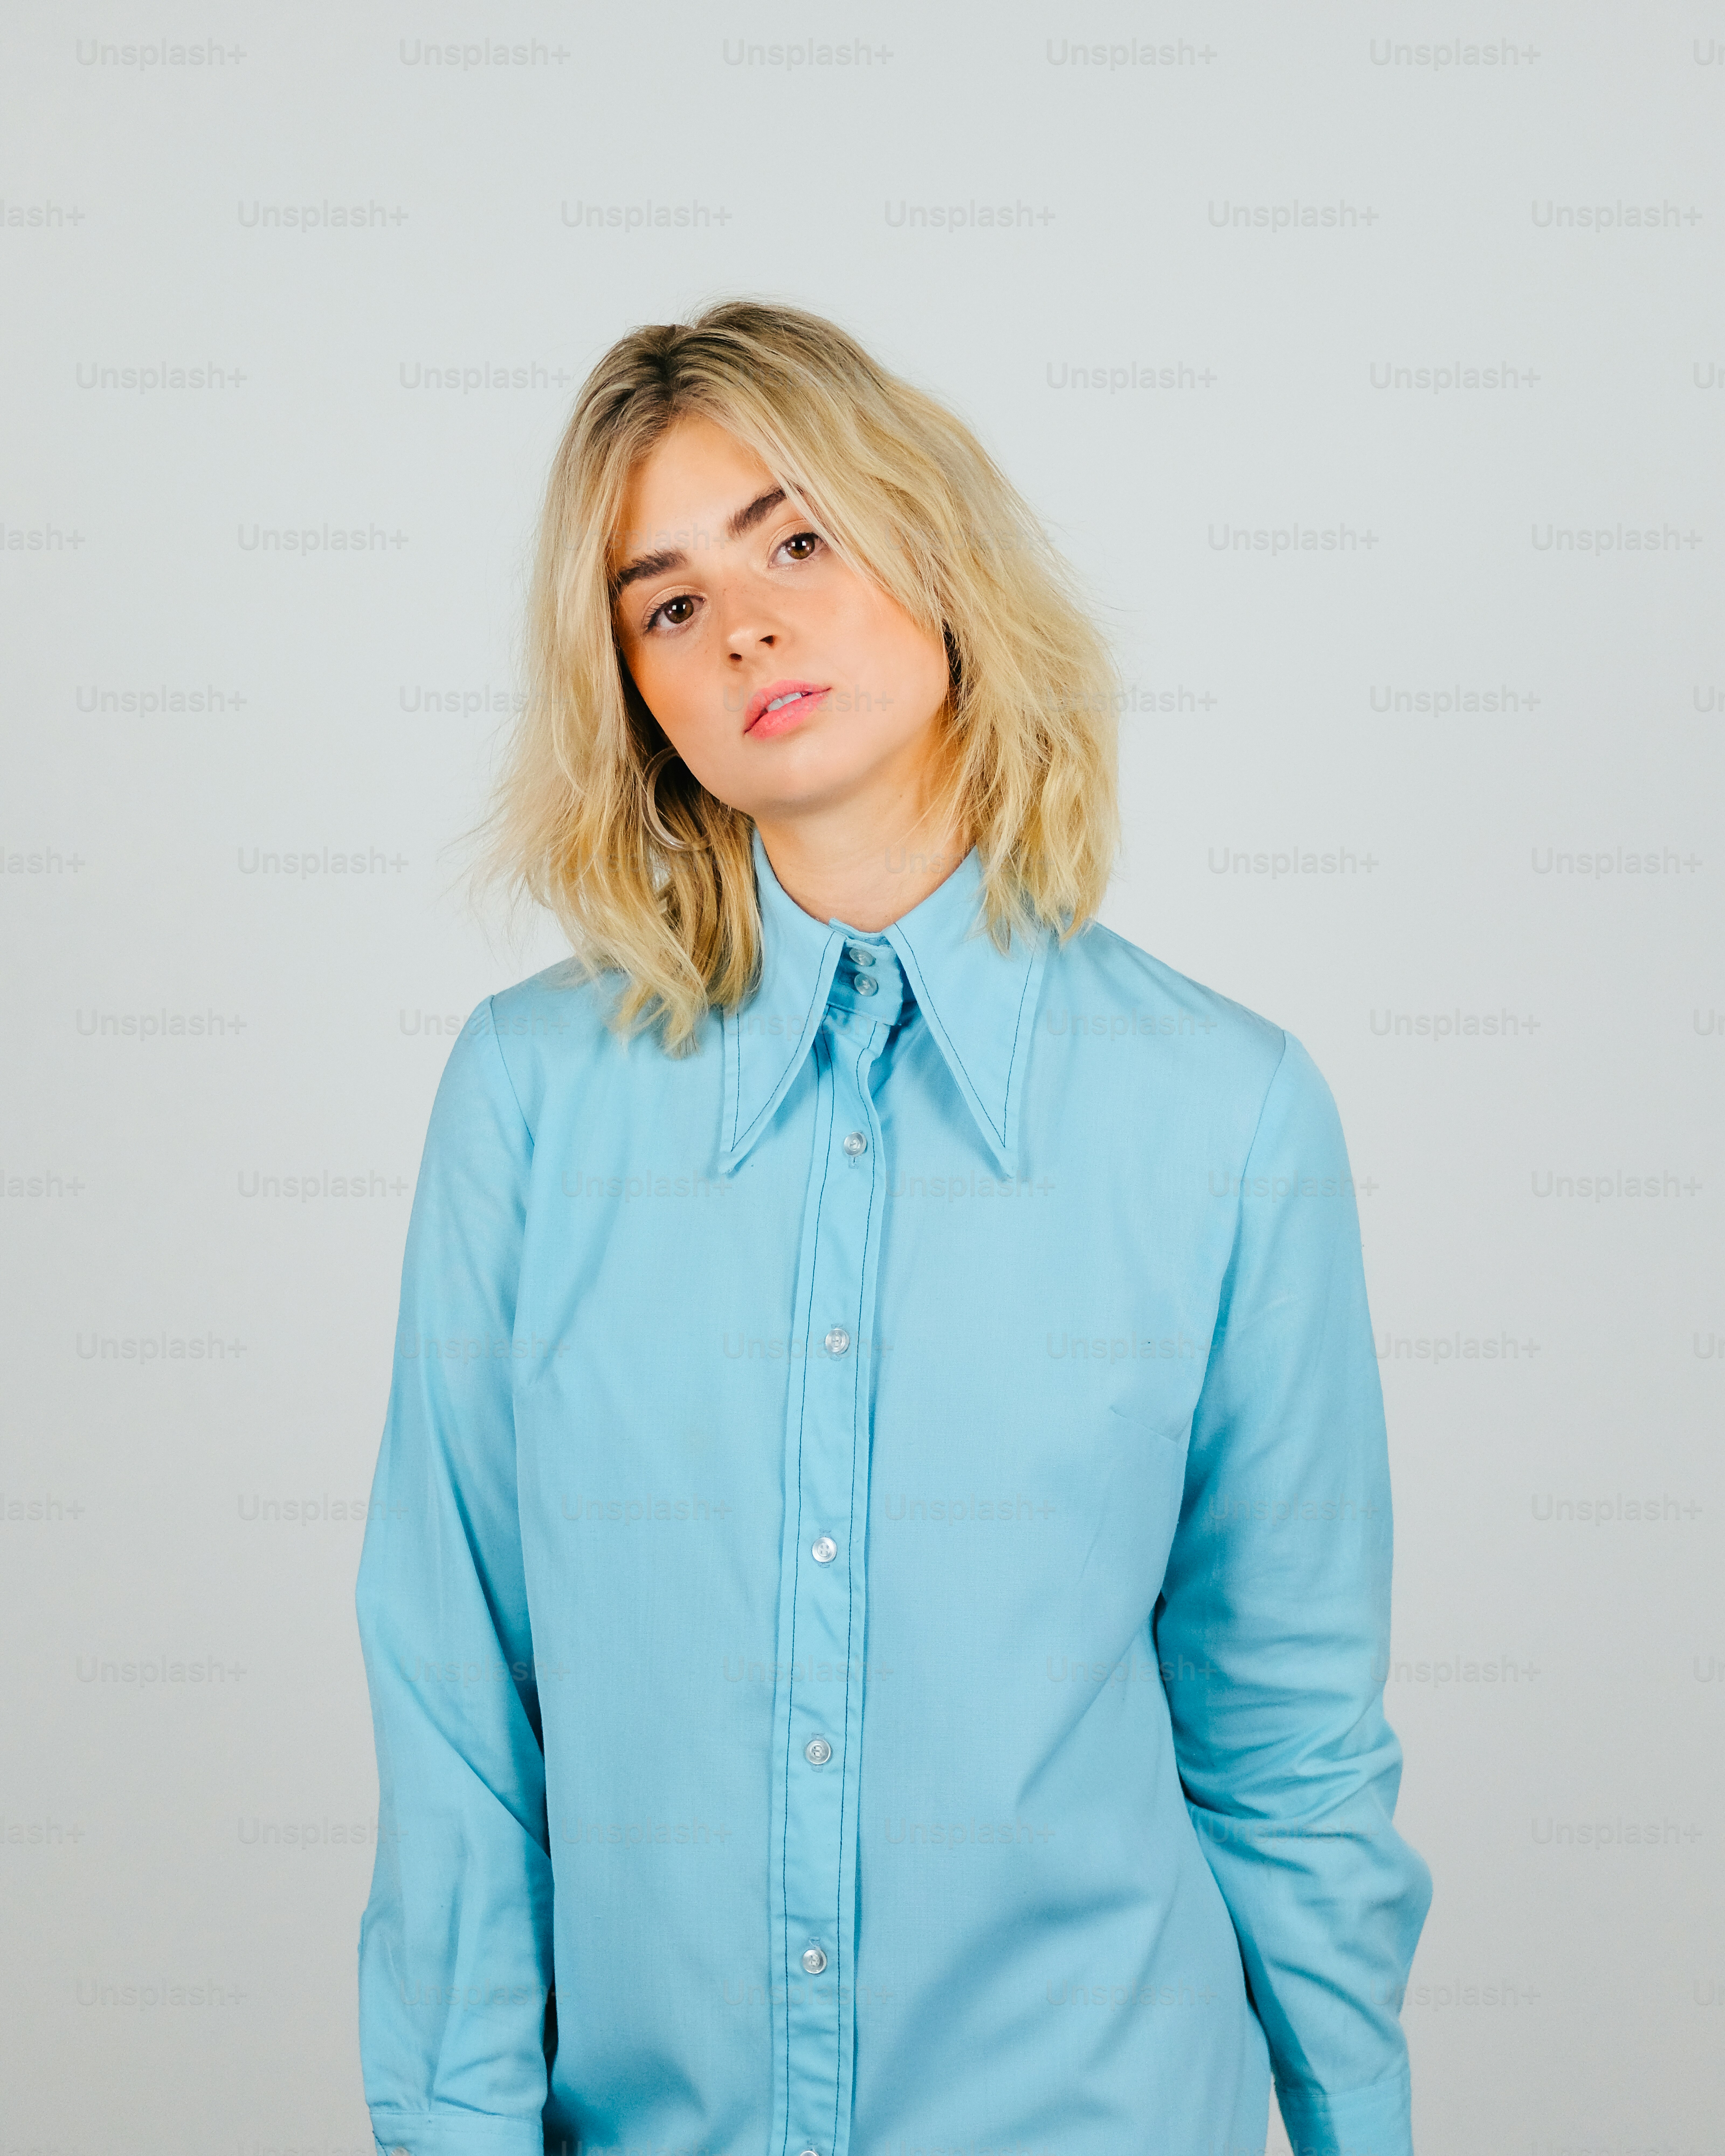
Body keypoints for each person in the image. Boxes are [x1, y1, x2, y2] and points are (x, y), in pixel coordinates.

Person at [353, 299, 1432, 2156]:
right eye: (668, 600)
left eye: (797, 537)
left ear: (935, 553)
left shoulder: (1228, 1116)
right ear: (636, 692)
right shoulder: (528, 1099)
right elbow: (462, 1705)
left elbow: (1287, 1743)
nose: (749, 622)